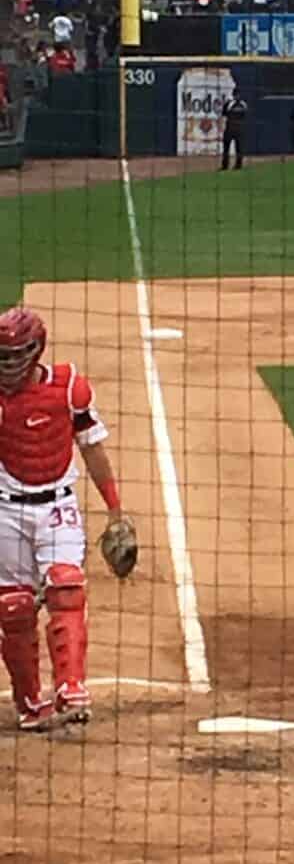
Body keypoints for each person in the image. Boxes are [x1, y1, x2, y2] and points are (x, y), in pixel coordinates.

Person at [0, 307, 134, 730]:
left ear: (36, 349)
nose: (8, 364)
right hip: (5, 509)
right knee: (14, 608)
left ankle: (71, 687)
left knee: (66, 586)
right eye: (1, 356)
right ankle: (28, 703)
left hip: (57, 505)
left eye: (16, 355)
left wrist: (115, 512)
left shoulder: (69, 388)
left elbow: (92, 448)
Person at [221, 86, 248, 170]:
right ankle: (234, 165)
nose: (237, 96)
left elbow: (224, 114)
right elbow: (245, 115)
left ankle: (232, 165)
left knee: (232, 148)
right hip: (237, 128)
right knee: (235, 148)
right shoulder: (243, 104)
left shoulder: (229, 104)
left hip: (231, 128)